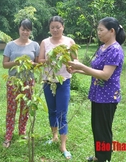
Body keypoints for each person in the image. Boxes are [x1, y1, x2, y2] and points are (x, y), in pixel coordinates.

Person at [68, 17, 126, 162]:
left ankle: (104, 159)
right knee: (97, 128)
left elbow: (105, 75)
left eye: (101, 30)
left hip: (107, 97)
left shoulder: (115, 49)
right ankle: (98, 157)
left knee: (103, 131)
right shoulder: (103, 47)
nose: (98, 33)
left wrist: (81, 66)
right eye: (97, 30)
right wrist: (78, 71)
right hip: (97, 95)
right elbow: (95, 70)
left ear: (111, 31)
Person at [38, 16, 78, 160]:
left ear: (63, 27)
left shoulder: (69, 42)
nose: (55, 30)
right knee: (52, 111)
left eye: (58, 27)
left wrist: (71, 66)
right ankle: (54, 136)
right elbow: (40, 60)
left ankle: (63, 145)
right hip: (48, 81)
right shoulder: (45, 42)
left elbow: (76, 60)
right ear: (49, 28)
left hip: (64, 81)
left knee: (62, 113)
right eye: (52, 27)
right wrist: (49, 59)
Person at [2, 19, 40, 148]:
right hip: (14, 81)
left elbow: (38, 63)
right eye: (23, 29)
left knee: (25, 108)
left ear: (31, 31)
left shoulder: (35, 45)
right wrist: (16, 63)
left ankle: (22, 132)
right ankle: (8, 135)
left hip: (28, 81)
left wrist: (30, 64)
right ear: (19, 29)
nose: (25, 32)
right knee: (11, 108)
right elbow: (4, 64)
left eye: (28, 30)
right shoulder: (10, 45)